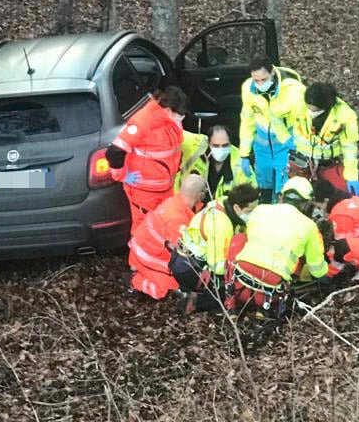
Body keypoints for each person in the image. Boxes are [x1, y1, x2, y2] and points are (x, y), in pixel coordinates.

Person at [227, 177, 328, 315]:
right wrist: (327, 273)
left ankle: (230, 303)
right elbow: (317, 269)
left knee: (240, 239)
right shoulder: (310, 227)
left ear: (281, 197)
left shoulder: (261, 210)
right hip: (269, 294)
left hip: (239, 283)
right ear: (306, 203)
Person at [106, 86, 189, 235]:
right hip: (144, 193)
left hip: (166, 189)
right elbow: (114, 152)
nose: (181, 118)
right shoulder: (143, 122)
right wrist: (122, 176)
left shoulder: (171, 121)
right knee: (143, 230)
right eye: (179, 114)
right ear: (169, 110)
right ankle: (138, 258)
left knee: (163, 227)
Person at [172, 182, 260, 311]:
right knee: (232, 289)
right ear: (236, 208)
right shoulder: (222, 226)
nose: (252, 214)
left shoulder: (224, 202)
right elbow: (218, 267)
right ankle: (194, 303)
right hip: (189, 267)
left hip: (182, 258)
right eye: (249, 211)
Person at [128, 173, 206, 299]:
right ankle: (136, 282)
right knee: (170, 287)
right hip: (146, 254)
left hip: (146, 248)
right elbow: (184, 252)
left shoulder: (175, 202)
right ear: (199, 196)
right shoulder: (176, 219)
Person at [239, 56, 306, 203]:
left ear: (272, 73)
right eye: (256, 80)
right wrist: (244, 153)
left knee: (284, 189)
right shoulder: (248, 88)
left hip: (286, 146)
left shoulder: (294, 90)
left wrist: (298, 146)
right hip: (262, 148)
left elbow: (302, 122)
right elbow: (247, 121)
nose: (260, 84)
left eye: (264, 79)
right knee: (264, 189)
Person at [290, 82, 359, 196]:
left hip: (328, 162)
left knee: (340, 192)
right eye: (309, 109)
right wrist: (284, 140)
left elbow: (349, 147)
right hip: (301, 158)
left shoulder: (345, 116)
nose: (311, 113)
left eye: (315, 111)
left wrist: (352, 176)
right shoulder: (298, 105)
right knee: (294, 191)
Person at [191, 125, 256, 200]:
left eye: (225, 145)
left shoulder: (240, 163)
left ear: (230, 143)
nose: (220, 149)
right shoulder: (197, 157)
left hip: (228, 208)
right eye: (216, 145)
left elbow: (252, 193)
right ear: (209, 144)